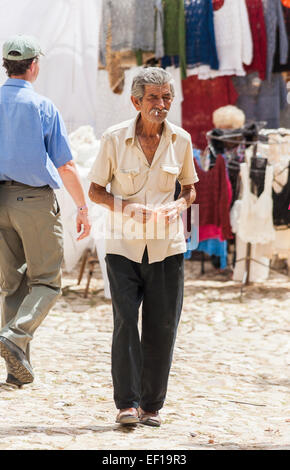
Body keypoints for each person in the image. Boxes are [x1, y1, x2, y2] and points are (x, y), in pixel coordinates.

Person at [88, 67, 198, 427]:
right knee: (125, 324)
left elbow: (190, 187)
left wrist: (179, 206)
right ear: (136, 101)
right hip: (123, 246)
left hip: (167, 247)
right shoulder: (113, 139)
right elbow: (96, 191)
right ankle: (127, 404)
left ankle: (152, 405)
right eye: (154, 97)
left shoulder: (181, 140)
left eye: (167, 97)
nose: (162, 104)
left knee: (163, 325)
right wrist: (126, 207)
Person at [0, 35, 91, 387]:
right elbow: (66, 165)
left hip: (1, 203)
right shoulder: (42, 107)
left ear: (7, 65)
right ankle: (14, 334)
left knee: (12, 286)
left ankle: (15, 369)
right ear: (34, 65)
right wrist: (82, 207)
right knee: (47, 282)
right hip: (34, 202)